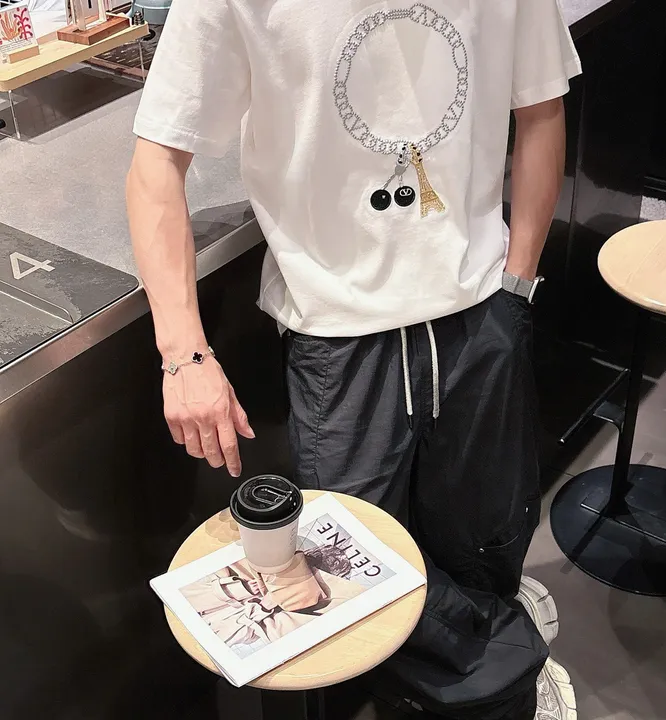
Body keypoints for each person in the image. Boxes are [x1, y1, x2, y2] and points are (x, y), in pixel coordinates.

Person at [127, 2, 582, 718]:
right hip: (336, 334)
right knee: (356, 565)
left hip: (479, 310)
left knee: (488, 532)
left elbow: (542, 106)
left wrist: (518, 285)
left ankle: (482, 673)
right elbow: (157, 157)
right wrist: (182, 352)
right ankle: (496, 666)